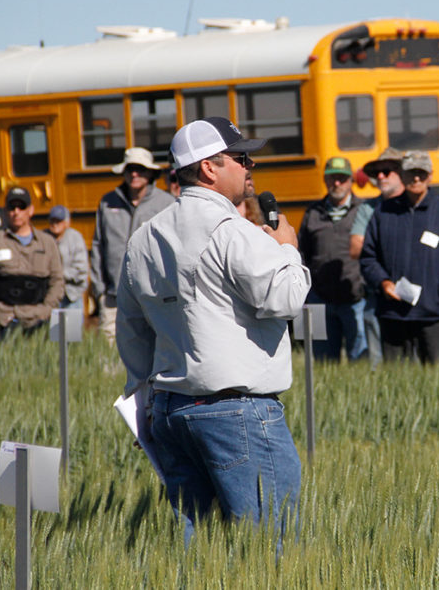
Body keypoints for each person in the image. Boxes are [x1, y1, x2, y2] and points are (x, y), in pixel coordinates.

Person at [117, 116, 308, 551]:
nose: (250, 166)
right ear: (209, 168)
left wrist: (142, 397)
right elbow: (286, 297)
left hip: (168, 411)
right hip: (236, 411)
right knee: (270, 548)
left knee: (199, 553)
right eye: (241, 158)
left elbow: (131, 330)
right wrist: (287, 249)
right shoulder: (231, 230)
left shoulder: (144, 237)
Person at [360, 151, 439, 364]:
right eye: (411, 173)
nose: (416, 179)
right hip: (393, 315)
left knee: (437, 384)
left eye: (421, 174)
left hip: (436, 316)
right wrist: (382, 282)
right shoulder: (383, 213)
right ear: (401, 175)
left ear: (430, 176)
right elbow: (368, 258)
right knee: (397, 384)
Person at [90, 147, 174, 343]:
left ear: (151, 172)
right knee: (109, 350)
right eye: (130, 169)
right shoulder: (107, 202)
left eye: (140, 169)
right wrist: (99, 290)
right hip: (113, 295)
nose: (134, 174)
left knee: (154, 347)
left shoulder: (167, 203)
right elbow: (97, 245)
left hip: (153, 294)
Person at [298, 156, 367, 361]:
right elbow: (302, 254)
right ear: (325, 180)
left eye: (342, 178)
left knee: (362, 362)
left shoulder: (363, 210)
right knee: (322, 364)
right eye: (331, 178)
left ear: (351, 180)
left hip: (357, 300)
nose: (336, 183)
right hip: (319, 300)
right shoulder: (312, 212)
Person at [0, 187, 64, 338]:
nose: (16, 212)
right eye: (12, 207)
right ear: (5, 211)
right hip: (4, 321)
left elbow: (57, 280)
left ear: (31, 210)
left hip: (39, 321)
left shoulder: (47, 243)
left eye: (21, 207)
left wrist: (46, 310)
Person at [349, 147, 404, 368]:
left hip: (415, 298)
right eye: (377, 172)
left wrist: (373, 244)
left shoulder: (419, 205)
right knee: (378, 365)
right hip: (376, 297)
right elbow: (354, 248)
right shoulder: (368, 208)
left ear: (402, 173)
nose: (380, 176)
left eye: (387, 170)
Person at [45, 205, 89, 310]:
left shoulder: (75, 238)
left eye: (58, 221)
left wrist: (58, 275)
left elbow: (81, 268)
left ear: (67, 222)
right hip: (49, 294)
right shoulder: (44, 238)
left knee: (72, 326)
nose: (55, 224)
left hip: (71, 294)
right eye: (52, 220)